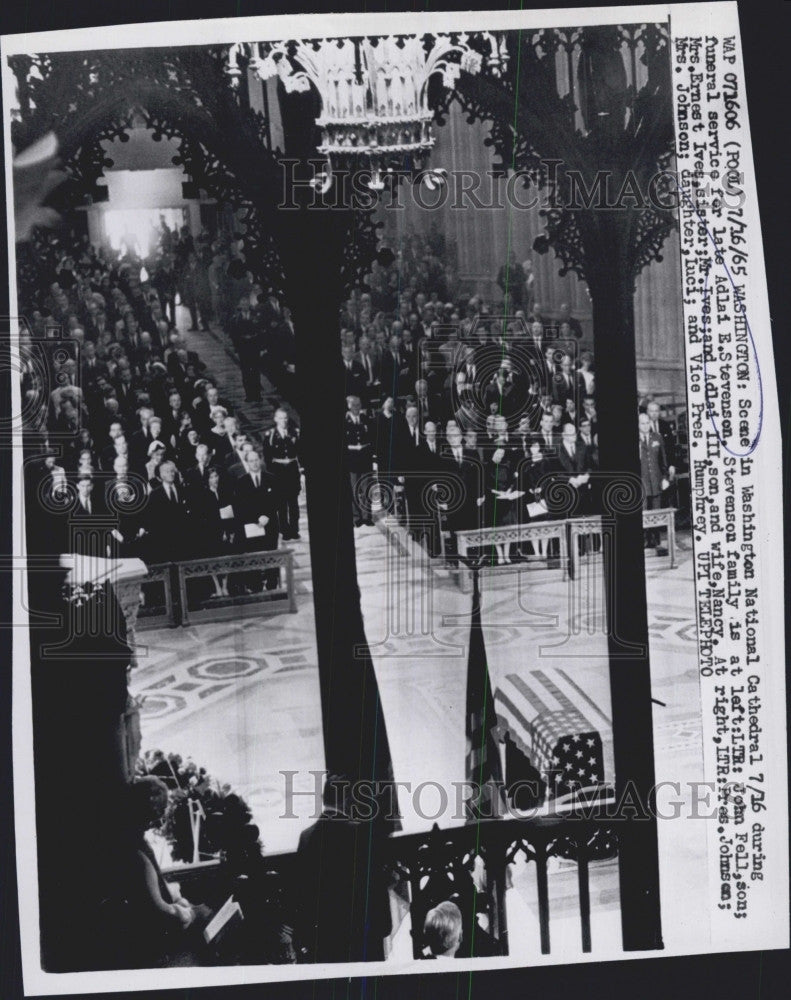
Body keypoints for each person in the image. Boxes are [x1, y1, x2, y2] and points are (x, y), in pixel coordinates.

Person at [114, 777, 212, 967]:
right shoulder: (134, 852)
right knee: (207, 916)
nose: (159, 820)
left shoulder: (135, 841)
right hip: (158, 940)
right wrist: (188, 914)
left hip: (161, 927)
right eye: (158, 811)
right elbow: (158, 909)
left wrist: (178, 901)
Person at [234, 450, 280, 591]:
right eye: (251, 461)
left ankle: (272, 587)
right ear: (247, 463)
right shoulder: (241, 482)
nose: (254, 463)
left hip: (270, 524)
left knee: (271, 556)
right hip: (252, 526)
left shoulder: (271, 478)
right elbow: (240, 505)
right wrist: (256, 518)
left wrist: (267, 516)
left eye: (256, 460)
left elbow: (277, 500)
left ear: (260, 460)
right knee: (254, 556)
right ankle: (256, 587)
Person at [263, 408, 302, 541]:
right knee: (281, 504)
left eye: (285, 418)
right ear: (275, 419)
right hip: (278, 472)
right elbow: (267, 456)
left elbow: (300, 452)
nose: (283, 421)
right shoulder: (270, 435)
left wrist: (301, 469)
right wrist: (271, 475)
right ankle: (285, 530)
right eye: (280, 418)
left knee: (293, 504)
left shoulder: (294, 433)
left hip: (292, 470)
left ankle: (294, 529)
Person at [639, 411, 669, 551]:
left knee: (656, 513)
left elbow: (663, 461)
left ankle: (656, 540)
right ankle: (645, 541)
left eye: (647, 423)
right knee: (643, 513)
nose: (645, 426)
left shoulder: (657, 437)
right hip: (641, 483)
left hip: (656, 482)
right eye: (642, 423)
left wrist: (665, 478)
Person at [345, 396, 374, 528]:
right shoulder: (345, 421)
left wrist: (373, 458)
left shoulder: (365, 419)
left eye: (359, 405)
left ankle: (367, 517)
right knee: (354, 490)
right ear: (349, 406)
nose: (357, 408)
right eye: (354, 405)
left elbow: (371, 440)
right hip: (352, 460)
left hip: (365, 459)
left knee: (367, 489)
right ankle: (356, 517)